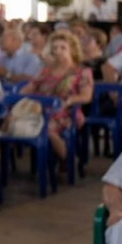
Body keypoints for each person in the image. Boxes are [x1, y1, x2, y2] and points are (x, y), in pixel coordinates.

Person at [27, 32, 93, 165]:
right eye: (55, 48)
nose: (58, 51)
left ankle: (67, 160)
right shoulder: (45, 71)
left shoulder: (82, 72)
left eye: (63, 48)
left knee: (45, 127)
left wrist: (69, 101)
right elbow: (29, 88)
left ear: (72, 50)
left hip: (67, 112)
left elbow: (86, 96)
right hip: (40, 109)